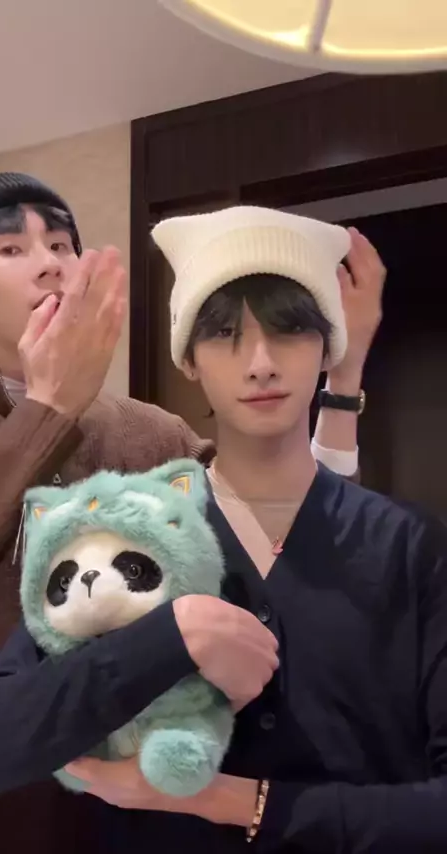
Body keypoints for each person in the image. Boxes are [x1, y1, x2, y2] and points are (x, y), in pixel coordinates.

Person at [0, 177, 382, 853]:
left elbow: (296, 542)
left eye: (62, 244)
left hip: (149, 810)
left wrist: (342, 382)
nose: (49, 264)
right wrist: (47, 410)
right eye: (11, 248)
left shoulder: (147, 431)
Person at [42, 205, 446, 853]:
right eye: (225, 333)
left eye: (289, 330)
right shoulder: (127, 544)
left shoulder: (408, 548)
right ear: (189, 359)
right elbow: (32, 725)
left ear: (328, 347)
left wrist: (232, 800)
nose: (259, 363)